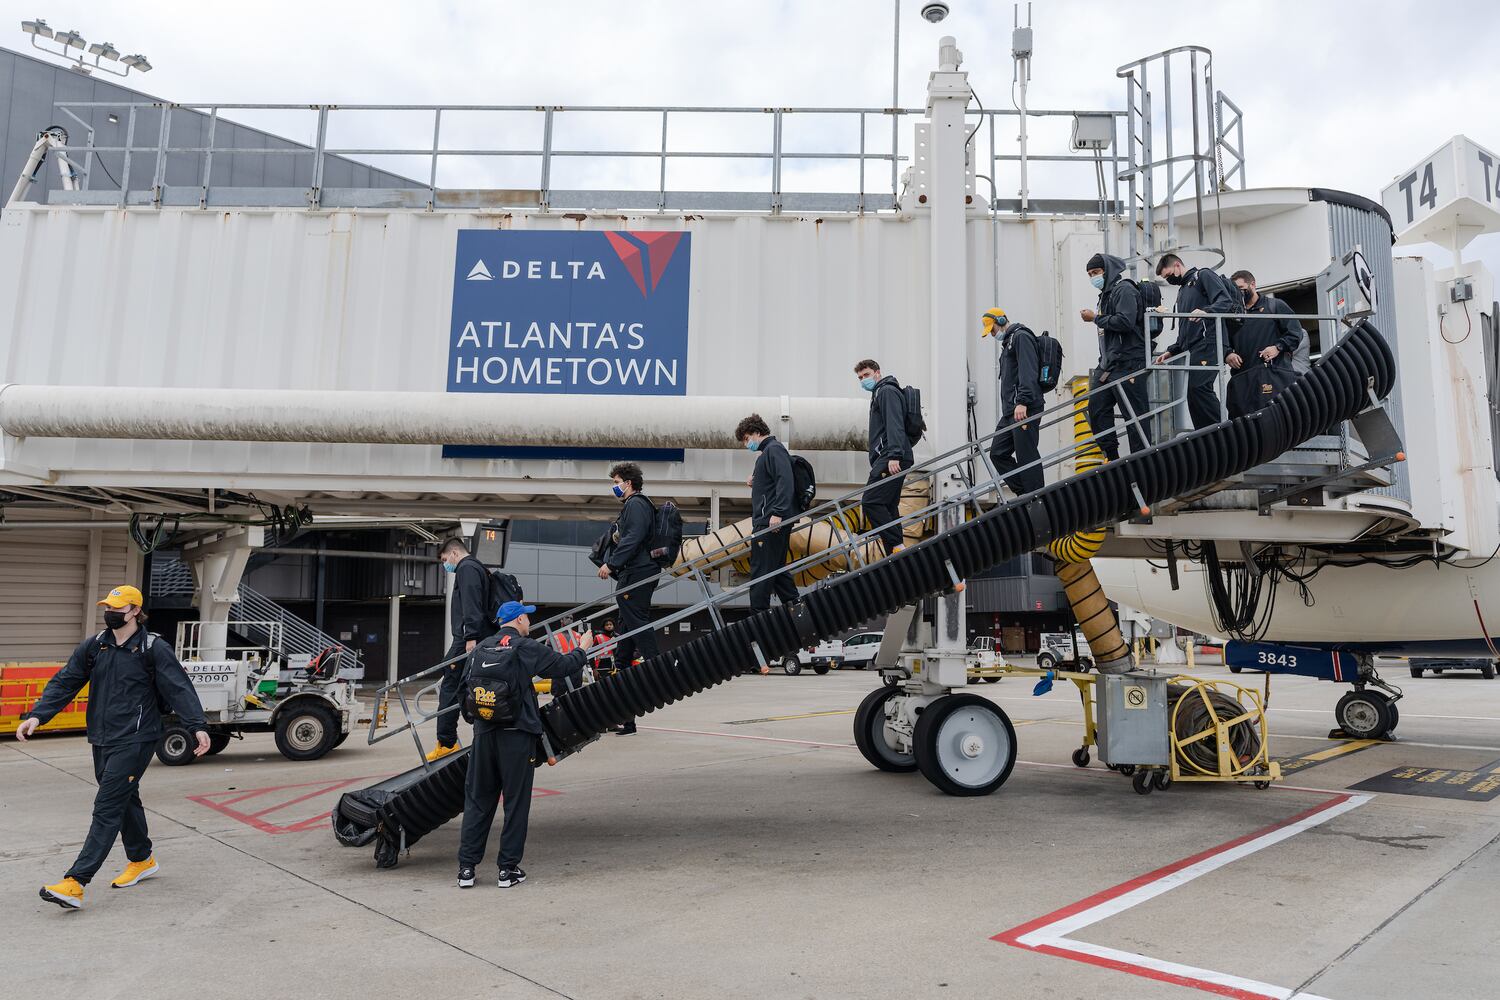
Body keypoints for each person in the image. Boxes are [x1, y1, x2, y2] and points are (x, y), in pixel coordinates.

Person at [16, 585, 209, 910]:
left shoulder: (152, 648)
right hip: (103, 737)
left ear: (135, 610)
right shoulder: (96, 646)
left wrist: (197, 725)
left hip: (137, 738)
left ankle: (75, 882)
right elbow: (67, 680)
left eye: (117, 608)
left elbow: (177, 687)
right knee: (124, 798)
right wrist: (38, 715)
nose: (110, 612)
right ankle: (142, 859)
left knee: (106, 807)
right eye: (108, 607)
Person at [456, 601, 593, 890]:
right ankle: (507, 870)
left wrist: (478, 721)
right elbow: (563, 666)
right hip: (516, 736)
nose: (528, 622)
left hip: (484, 735)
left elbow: (462, 690)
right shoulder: (524, 647)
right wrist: (582, 647)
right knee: (516, 802)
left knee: (478, 800)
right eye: (527, 617)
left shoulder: (480, 648)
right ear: (519, 619)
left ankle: (466, 869)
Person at [597, 461, 659, 735]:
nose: (614, 485)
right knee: (623, 644)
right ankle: (627, 718)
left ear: (628, 483)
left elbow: (633, 538)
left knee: (636, 620)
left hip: (637, 571)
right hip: (634, 571)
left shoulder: (636, 504)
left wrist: (612, 563)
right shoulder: (635, 506)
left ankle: (658, 667)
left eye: (617, 480)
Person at [429, 537, 497, 762]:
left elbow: (471, 604)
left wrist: (471, 637)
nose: (445, 565)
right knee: (462, 686)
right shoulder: (478, 568)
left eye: (445, 560)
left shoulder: (466, 568)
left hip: (467, 639)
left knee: (450, 683)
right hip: (474, 636)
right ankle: (451, 739)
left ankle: (446, 742)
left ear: (455, 554)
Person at [1079, 253, 1152, 461]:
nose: (1093, 277)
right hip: (1110, 364)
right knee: (1097, 409)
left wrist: (1096, 319)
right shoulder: (1105, 295)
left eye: (1096, 272)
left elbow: (1125, 322)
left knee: (1135, 416)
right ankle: (1111, 456)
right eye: (1090, 274)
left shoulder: (1124, 289)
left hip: (1129, 362)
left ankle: (1142, 461)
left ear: (1107, 271)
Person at [1154, 252, 1239, 429]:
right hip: (1194, 347)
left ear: (1177, 265)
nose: (1169, 280)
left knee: (1199, 387)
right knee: (1192, 392)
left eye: (1169, 275)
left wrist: (1207, 311)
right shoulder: (1183, 291)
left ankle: (1223, 431)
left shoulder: (1203, 275)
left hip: (1209, 342)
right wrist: (1172, 350)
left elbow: (1225, 300)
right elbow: (1185, 329)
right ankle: (1205, 434)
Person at [735, 413, 801, 611]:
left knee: (761, 571)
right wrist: (755, 480)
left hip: (770, 521)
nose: (747, 444)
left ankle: (758, 619)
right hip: (769, 520)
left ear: (756, 432)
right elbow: (773, 483)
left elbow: (785, 480)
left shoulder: (774, 450)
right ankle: (798, 609)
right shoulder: (766, 455)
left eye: (747, 439)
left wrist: (778, 512)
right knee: (776, 570)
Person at [980, 308, 1044, 496]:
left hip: (1024, 407)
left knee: (1026, 455)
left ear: (1001, 320)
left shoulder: (1021, 337)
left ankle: (1036, 497)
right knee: (997, 453)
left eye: (992, 330)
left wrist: (1022, 401)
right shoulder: (1008, 342)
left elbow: (1028, 371)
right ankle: (1024, 493)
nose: (993, 334)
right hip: (1010, 411)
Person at [853, 358, 912, 555]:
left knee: (871, 501)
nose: (863, 380)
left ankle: (897, 546)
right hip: (889, 455)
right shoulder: (880, 392)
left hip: (891, 456)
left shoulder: (886, 391)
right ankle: (895, 554)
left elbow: (894, 423)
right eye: (860, 377)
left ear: (877, 372)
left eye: (866, 375)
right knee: (888, 505)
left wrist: (894, 454)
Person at [1231, 270, 1309, 375]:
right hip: (1244, 377)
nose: (1238, 293)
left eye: (1240, 288)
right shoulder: (1232, 314)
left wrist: (1277, 348)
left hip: (1275, 374)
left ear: (1253, 284)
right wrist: (1227, 355)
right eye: (1234, 290)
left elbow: (1295, 333)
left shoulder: (1275, 306)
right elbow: (1223, 339)